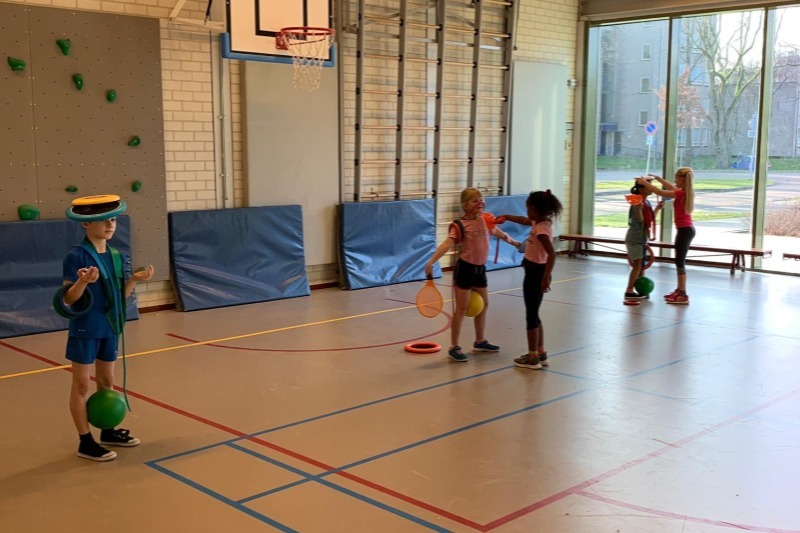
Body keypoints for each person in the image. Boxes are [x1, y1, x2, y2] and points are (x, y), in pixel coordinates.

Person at [58, 195, 154, 461]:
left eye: (113, 220)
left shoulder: (116, 255)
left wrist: (134, 280)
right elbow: (69, 299)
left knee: (106, 382)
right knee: (81, 386)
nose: (111, 225)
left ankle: (108, 431)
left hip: (109, 327)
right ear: (86, 224)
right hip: (85, 328)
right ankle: (85, 441)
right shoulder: (76, 256)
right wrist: (82, 283)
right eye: (104, 221)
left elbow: (117, 298)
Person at [425, 187, 520, 362]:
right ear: (465, 205)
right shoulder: (460, 225)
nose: (480, 203)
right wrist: (431, 262)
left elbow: (501, 234)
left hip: (480, 269)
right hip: (466, 270)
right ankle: (454, 346)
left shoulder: (486, 220)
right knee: (462, 309)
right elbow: (446, 244)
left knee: (484, 304)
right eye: (474, 200)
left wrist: (516, 243)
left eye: (481, 199)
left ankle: (480, 341)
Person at [500, 190, 563, 370]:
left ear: (535, 209)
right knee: (535, 313)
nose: (526, 212)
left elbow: (552, 255)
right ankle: (540, 352)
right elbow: (523, 220)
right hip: (535, 272)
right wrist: (507, 217)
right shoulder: (540, 223)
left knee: (531, 316)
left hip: (536, 274)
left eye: (528, 208)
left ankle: (532, 357)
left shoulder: (541, 231)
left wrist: (545, 277)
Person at [636, 167, 695, 304]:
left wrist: (643, 183)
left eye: (676, 178)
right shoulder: (684, 191)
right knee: (679, 261)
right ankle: (679, 290)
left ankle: (683, 294)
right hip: (686, 230)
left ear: (682, 180)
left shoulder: (680, 193)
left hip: (685, 231)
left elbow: (659, 192)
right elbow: (670, 187)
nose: (674, 181)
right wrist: (658, 178)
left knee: (679, 262)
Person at [624, 179, 656, 300]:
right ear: (642, 189)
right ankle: (629, 290)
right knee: (638, 265)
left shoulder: (646, 202)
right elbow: (640, 220)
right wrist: (638, 209)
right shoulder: (637, 202)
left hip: (642, 239)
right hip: (635, 239)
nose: (652, 187)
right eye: (649, 185)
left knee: (641, 266)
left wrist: (658, 207)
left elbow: (649, 219)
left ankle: (640, 289)